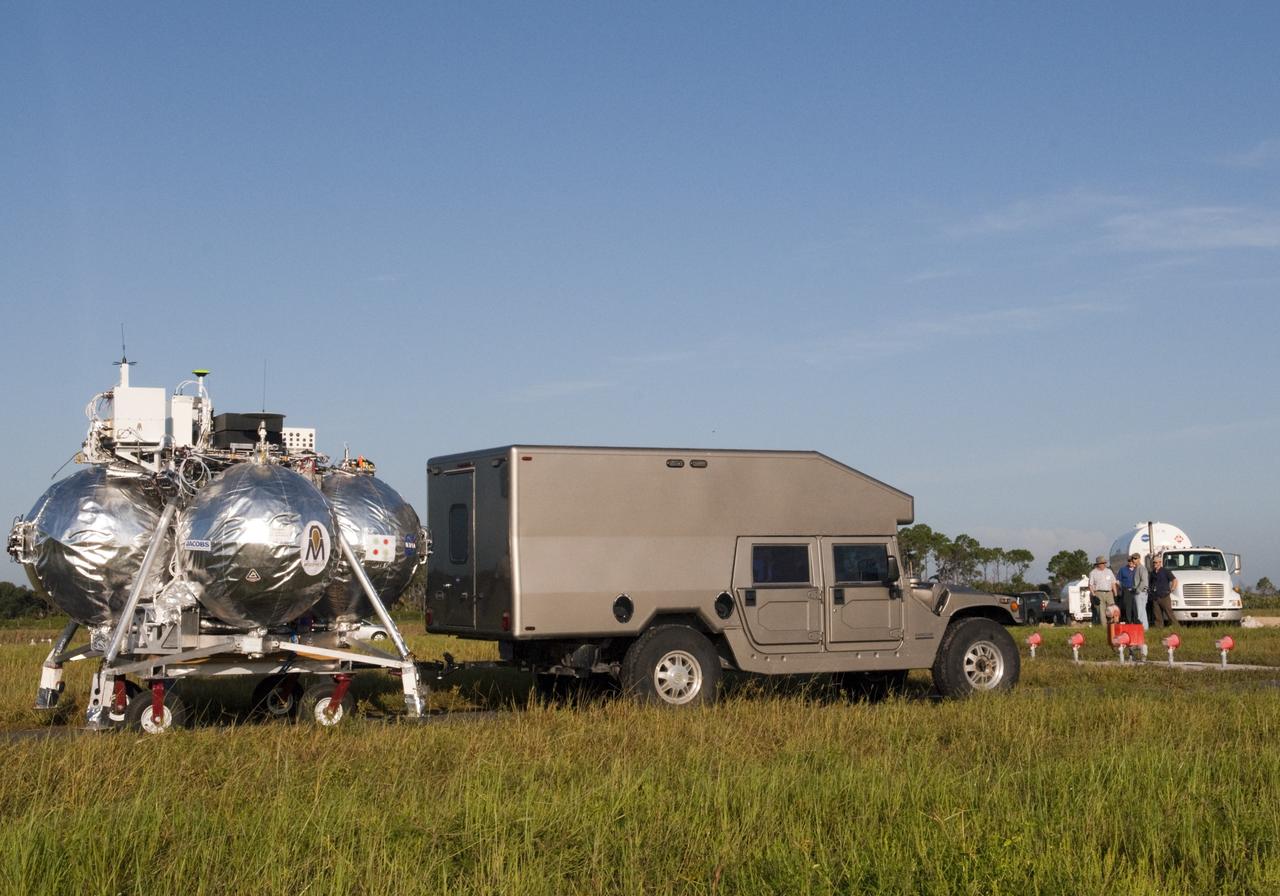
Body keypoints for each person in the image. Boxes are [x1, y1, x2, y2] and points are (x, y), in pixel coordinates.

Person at [1088, 556, 1118, 625]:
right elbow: (1090, 585)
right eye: (1101, 563)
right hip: (1098, 593)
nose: (1103, 564)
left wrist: (1115, 594)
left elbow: (1113, 583)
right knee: (1101, 613)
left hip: (1109, 593)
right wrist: (1094, 595)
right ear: (1097, 564)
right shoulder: (1093, 573)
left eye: (1104, 563)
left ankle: (1113, 627)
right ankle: (1104, 629)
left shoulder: (1109, 571)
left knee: (1112, 611)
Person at [1150, 554, 1178, 627]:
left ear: (1160, 562)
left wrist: (1172, 589)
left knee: (1169, 613)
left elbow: (1174, 580)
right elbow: (1150, 583)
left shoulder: (1165, 571)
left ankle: (1177, 627)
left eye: (1156, 562)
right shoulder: (1152, 573)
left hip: (1164, 596)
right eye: (1154, 562)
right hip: (1155, 597)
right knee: (1157, 614)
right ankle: (1159, 629)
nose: (1154, 564)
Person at [1131, 553, 1150, 630]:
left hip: (1140, 593)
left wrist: (1137, 590)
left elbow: (1144, 581)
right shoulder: (1137, 568)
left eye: (1135, 558)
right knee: (1142, 611)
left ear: (1139, 559)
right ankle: (1144, 628)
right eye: (1133, 558)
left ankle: (1141, 628)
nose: (1133, 560)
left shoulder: (1142, 568)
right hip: (1140, 592)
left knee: (1140, 612)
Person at [1116, 553, 1137, 623]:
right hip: (1126, 590)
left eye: (1131, 561)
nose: (1130, 562)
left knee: (1136, 606)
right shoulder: (1123, 569)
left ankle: (1136, 621)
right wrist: (1122, 587)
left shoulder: (1137, 569)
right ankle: (1129, 621)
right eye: (1129, 561)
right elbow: (1118, 580)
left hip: (1136, 590)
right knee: (1128, 607)